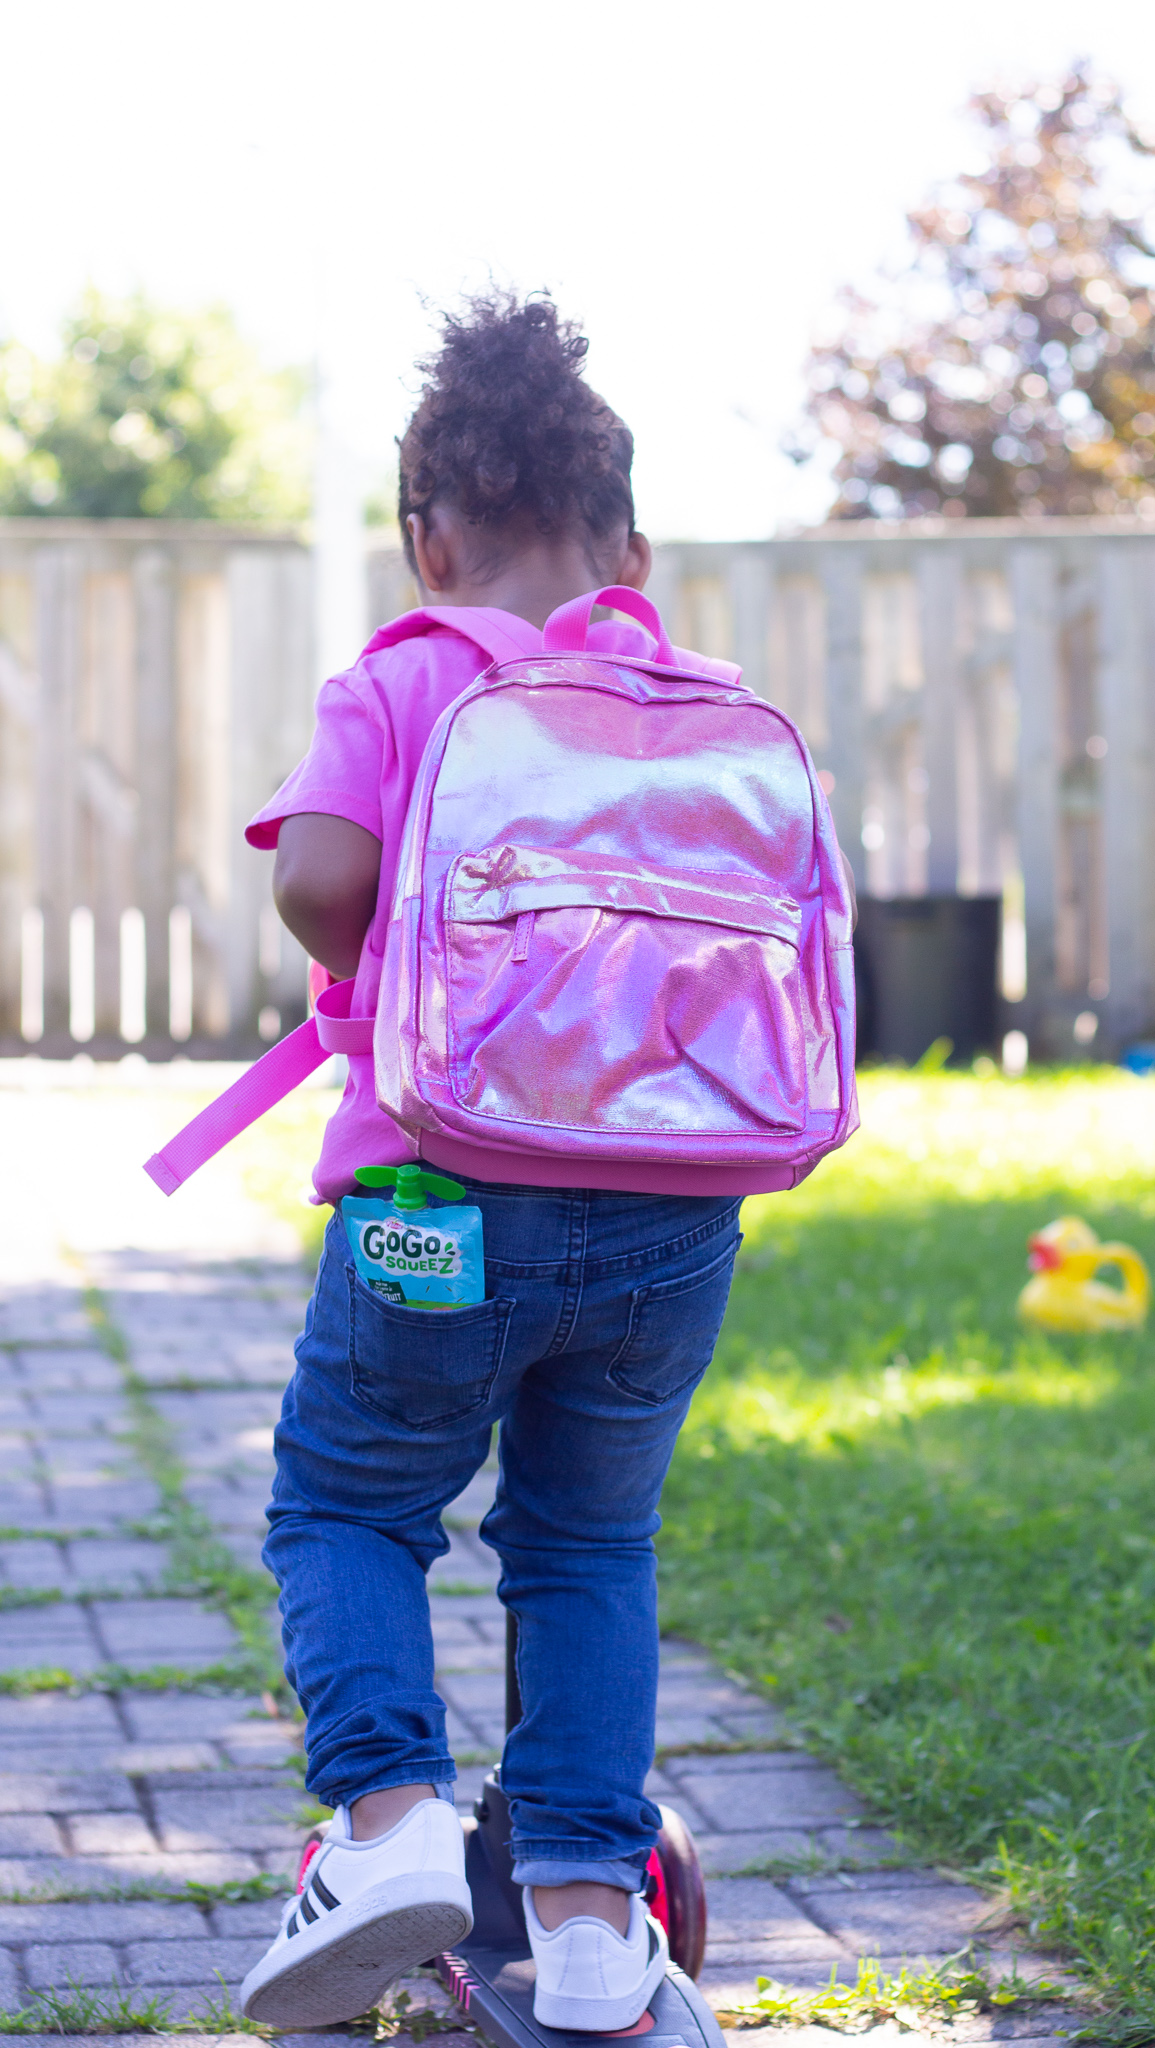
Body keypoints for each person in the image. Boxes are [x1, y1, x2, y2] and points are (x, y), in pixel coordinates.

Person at [238, 295, 747, 2032]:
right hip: (675, 1208)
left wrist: (366, 952)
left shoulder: (408, 672)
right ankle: (598, 1929)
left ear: (425, 536)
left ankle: (386, 1820)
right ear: (633, 545)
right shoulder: (696, 702)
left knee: (354, 1498)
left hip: (435, 1200)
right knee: (589, 1543)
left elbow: (317, 877)